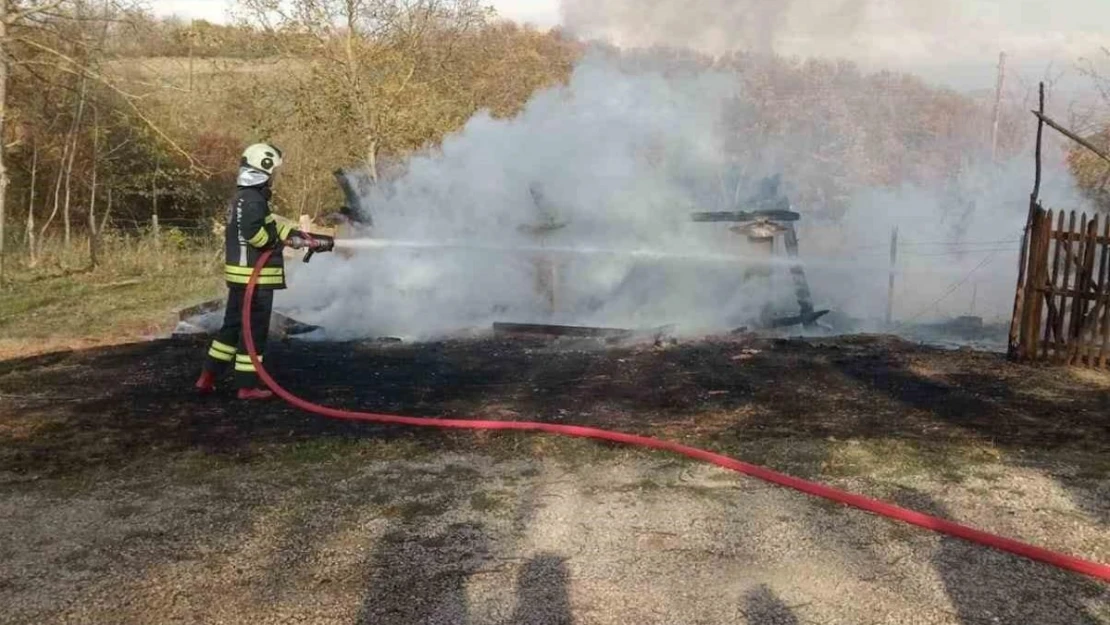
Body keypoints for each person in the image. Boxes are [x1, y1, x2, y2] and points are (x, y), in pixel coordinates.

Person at [194, 143, 334, 400]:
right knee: (253, 332)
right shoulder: (253, 200)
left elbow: (270, 228)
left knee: (232, 328)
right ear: (264, 170)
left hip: (242, 278)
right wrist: (281, 241)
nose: (274, 177)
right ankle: (246, 386)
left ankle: (207, 376)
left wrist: (303, 237)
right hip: (255, 281)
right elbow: (257, 236)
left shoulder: (243, 198)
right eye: (272, 171)